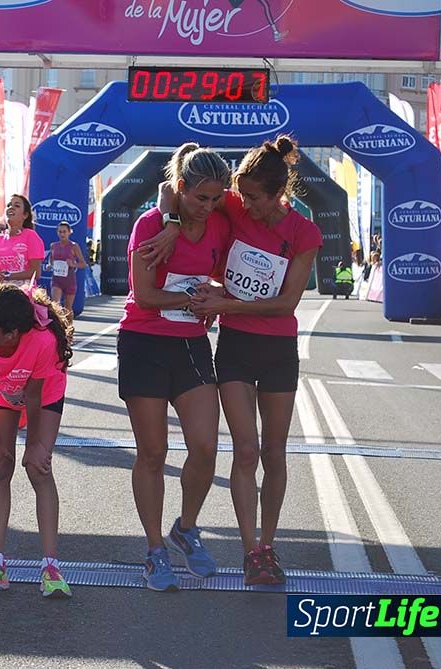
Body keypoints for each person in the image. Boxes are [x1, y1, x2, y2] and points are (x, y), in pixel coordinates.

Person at [143, 135, 322, 586]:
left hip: (278, 348)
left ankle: (268, 544)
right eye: (240, 194)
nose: (246, 205)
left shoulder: (304, 232)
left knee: (274, 452)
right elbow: (173, 189)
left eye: (255, 198)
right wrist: (168, 223)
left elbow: (286, 304)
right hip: (237, 347)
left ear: (279, 194)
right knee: (245, 450)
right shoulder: (234, 206)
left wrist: (226, 304)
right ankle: (250, 552)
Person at [119, 143, 231, 592]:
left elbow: (225, 275)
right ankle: (154, 549)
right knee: (153, 453)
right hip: (145, 341)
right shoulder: (151, 223)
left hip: (191, 346)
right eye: (200, 198)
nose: (208, 207)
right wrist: (192, 298)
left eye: (215, 199)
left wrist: (217, 297)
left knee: (205, 446)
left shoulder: (218, 224)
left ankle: (185, 527)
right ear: (181, 189)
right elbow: (144, 295)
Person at [0, 283, 74, 599]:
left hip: (45, 394)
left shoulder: (41, 342)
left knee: (39, 468)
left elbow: (34, 395)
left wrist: (35, 444)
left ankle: (51, 567)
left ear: (10, 334)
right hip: (2, 394)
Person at [0, 194, 45, 287]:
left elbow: (36, 273)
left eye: (16, 206)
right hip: (1, 293)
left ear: (25, 215)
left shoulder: (31, 236)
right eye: (9, 205)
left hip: (24, 295)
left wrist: (8, 276)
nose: (11, 208)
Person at [47, 222, 88, 310]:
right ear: (57, 232)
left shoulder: (74, 246)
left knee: (68, 309)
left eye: (64, 232)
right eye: (60, 232)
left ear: (69, 232)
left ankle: (69, 323)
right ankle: (57, 324)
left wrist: (73, 264)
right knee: (55, 305)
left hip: (69, 280)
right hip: (56, 279)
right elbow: (51, 259)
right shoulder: (53, 246)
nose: (62, 234)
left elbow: (83, 264)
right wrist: (50, 265)